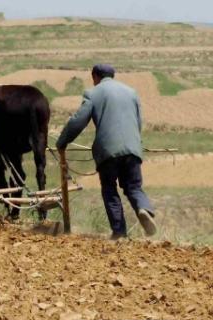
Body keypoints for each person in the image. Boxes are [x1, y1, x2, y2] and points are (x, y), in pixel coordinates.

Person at [56, 64, 157, 240]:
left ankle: (119, 232)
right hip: (132, 148)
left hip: (108, 151)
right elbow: (138, 121)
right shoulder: (131, 92)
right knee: (133, 187)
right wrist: (134, 143)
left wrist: (62, 141)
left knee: (109, 189)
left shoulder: (92, 93)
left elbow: (78, 121)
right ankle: (143, 208)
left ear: (95, 76)